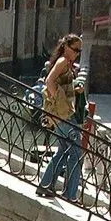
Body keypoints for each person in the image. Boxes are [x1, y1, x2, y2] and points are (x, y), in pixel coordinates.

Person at [36, 35, 86, 202]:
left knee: (63, 151)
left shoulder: (66, 63)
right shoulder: (63, 61)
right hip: (64, 115)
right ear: (66, 47)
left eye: (79, 51)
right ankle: (70, 194)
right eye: (75, 50)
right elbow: (49, 81)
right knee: (77, 154)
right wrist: (60, 100)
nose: (77, 53)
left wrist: (75, 90)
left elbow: (60, 83)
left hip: (62, 115)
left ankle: (46, 185)